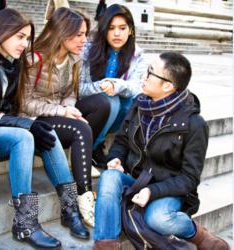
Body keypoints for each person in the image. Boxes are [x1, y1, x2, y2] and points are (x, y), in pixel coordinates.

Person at [0, 8, 89, 249]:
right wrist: (28, 125)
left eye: (27, 37)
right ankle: (24, 224)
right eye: (20, 37)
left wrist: (35, 124)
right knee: (24, 137)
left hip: (0, 131)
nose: (25, 44)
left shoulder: (15, 63)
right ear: (1, 34)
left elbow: (15, 108)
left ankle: (69, 209)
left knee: (45, 131)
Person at [93, 52, 230, 250]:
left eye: (150, 73)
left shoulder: (194, 124)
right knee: (109, 177)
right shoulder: (139, 104)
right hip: (136, 180)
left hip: (170, 189)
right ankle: (106, 245)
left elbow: (190, 178)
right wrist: (116, 159)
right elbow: (121, 142)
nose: (144, 76)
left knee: (158, 219)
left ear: (167, 85)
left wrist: (153, 190)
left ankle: (198, 235)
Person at [21, 7, 110, 228]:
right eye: (79, 34)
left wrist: (71, 109)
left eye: (85, 34)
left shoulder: (74, 59)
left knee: (101, 104)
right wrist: (62, 112)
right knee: (81, 129)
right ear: (61, 32)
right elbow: (23, 104)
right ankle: (84, 196)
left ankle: (81, 157)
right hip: (34, 118)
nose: (84, 40)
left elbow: (71, 94)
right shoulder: (34, 59)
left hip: (57, 110)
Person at [80, 4, 147, 168]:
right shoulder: (88, 50)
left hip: (117, 114)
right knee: (111, 101)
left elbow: (136, 88)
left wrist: (116, 85)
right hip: (88, 107)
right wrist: (103, 86)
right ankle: (94, 147)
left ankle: (127, 150)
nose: (117, 33)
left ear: (130, 30)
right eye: (111, 28)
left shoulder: (137, 56)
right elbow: (78, 89)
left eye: (122, 28)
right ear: (104, 30)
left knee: (134, 101)